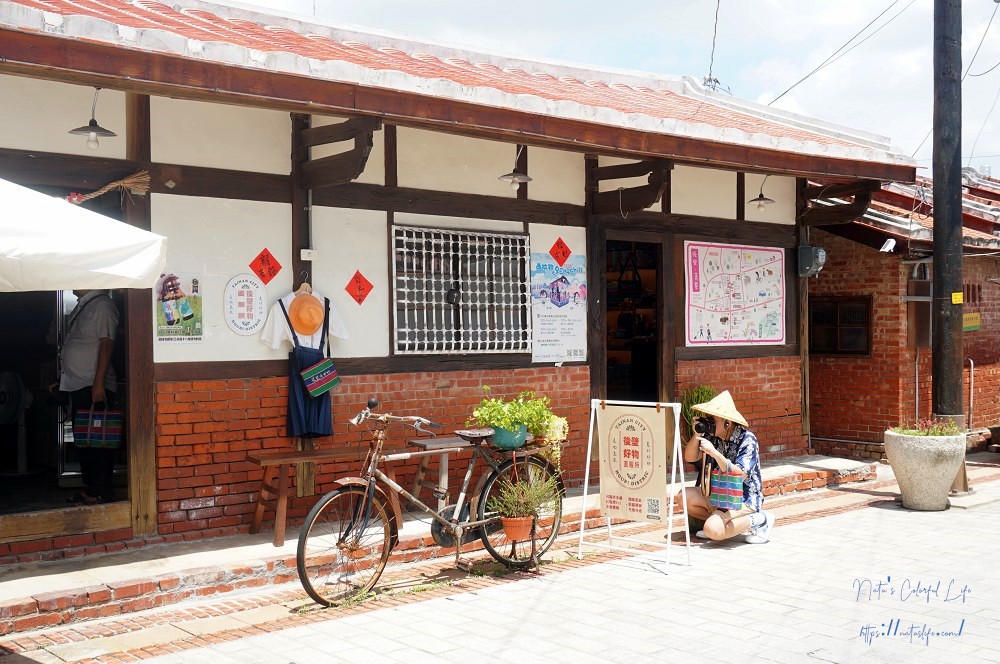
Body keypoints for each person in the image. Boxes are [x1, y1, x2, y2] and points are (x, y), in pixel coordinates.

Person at [679, 390, 775, 544]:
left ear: (727, 423)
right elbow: (690, 457)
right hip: (720, 494)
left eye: (712, 420)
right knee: (684, 496)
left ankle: (760, 519)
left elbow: (740, 474)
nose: (709, 423)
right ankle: (719, 521)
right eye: (708, 419)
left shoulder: (747, 440)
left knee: (713, 531)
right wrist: (697, 434)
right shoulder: (713, 436)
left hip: (743, 498)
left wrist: (714, 453)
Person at [56, 289, 120, 505]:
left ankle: (100, 491)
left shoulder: (102, 304)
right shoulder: (85, 304)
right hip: (79, 383)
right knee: (85, 441)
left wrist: (99, 383)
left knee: (98, 442)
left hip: (93, 385)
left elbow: (107, 344)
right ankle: (91, 488)